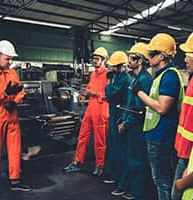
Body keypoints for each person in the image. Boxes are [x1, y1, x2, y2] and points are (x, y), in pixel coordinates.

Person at [133, 33, 184, 200]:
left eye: (151, 54)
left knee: (161, 180)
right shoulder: (160, 74)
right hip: (156, 133)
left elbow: (162, 108)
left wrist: (139, 93)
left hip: (161, 135)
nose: (148, 57)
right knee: (161, 179)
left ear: (161, 56)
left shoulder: (169, 75)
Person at [0, 40, 32, 199]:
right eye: (7, 58)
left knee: (15, 149)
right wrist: (5, 95)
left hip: (12, 115)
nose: (10, 62)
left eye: (11, 59)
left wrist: (15, 101)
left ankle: (15, 180)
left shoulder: (11, 73)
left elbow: (20, 90)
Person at [115, 42, 153, 199]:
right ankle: (133, 189)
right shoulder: (134, 78)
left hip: (137, 127)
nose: (129, 61)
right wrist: (121, 119)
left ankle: (139, 194)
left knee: (138, 160)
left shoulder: (144, 79)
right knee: (133, 159)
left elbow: (138, 110)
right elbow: (130, 104)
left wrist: (126, 123)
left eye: (132, 58)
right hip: (131, 125)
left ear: (140, 60)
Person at [63, 47, 109, 176]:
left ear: (104, 60)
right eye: (93, 58)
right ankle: (77, 161)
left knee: (100, 140)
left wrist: (93, 93)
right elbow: (89, 88)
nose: (94, 61)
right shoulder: (93, 74)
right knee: (82, 136)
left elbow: (110, 95)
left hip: (101, 109)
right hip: (90, 109)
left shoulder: (108, 75)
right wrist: (84, 95)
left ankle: (100, 165)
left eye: (97, 59)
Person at [104, 51, 131, 187]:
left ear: (121, 66)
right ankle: (116, 176)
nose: (111, 68)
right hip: (114, 114)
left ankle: (123, 182)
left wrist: (108, 83)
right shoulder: (118, 76)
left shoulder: (124, 78)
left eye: (114, 66)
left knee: (120, 149)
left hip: (119, 115)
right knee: (114, 147)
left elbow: (110, 95)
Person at [172, 33, 193, 200]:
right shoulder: (192, 81)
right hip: (186, 153)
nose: (185, 59)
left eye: (189, 54)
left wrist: (182, 183)